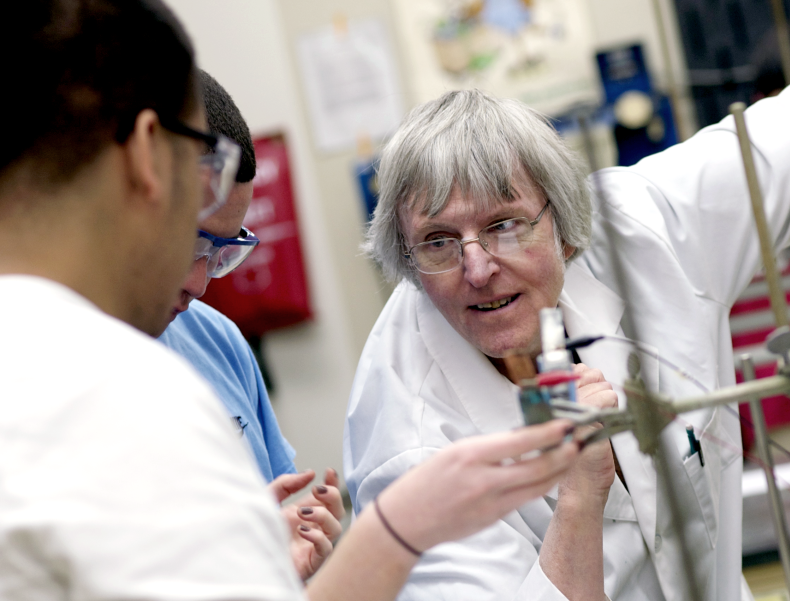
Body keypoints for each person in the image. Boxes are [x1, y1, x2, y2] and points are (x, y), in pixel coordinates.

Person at [0, 1, 580, 599]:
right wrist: (396, 530)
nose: (198, 281)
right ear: (151, 154)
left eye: (506, 226)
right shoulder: (126, 394)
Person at [347, 70, 790, 600]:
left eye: (506, 225)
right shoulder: (407, 439)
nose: (478, 268)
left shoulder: (638, 232)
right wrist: (578, 499)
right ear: (404, 257)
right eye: (438, 242)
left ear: (567, 228)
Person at [156, 68, 344, 581]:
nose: (199, 284)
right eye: (191, 244)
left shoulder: (216, 340)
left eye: (220, 254)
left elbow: (270, 533)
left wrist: (283, 564)